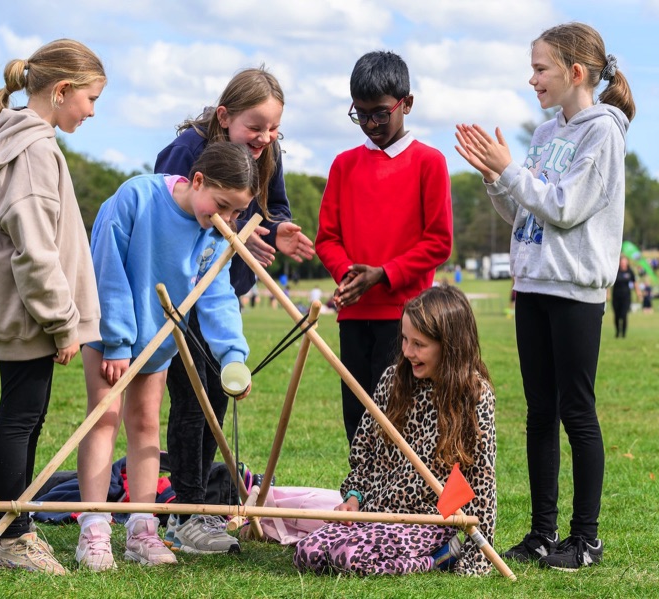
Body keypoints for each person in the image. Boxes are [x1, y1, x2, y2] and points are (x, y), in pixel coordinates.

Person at [455, 21, 634, 570]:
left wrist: (511, 171)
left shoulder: (603, 133)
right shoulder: (543, 133)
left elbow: (565, 208)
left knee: (576, 412)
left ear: (575, 73)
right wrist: (495, 176)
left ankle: (586, 539)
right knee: (538, 413)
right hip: (531, 285)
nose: (531, 79)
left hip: (575, 291)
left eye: (540, 69)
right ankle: (541, 533)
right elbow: (524, 213)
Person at [0, 39, 106, 574]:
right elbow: (35, 251)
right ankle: (14, 539)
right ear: (61, 91)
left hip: (23, 313)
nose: (90, 111)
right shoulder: (34, 150)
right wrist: (62, 323)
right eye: (90, 98)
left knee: (28, 415)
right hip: (30, 314)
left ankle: (19, 526)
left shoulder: (19, 141)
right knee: (20, 417)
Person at [153, 68, 314, 552]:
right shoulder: (186, 151)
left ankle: (200, 508)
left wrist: (274, 230)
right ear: (224, 117)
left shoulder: (268, 153)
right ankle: (187, 511)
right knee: (191, 401)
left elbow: (273, 207)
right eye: (254, 127)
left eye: (273, 129)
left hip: (223, 296)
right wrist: (232, 235)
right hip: (182, 298)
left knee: (217, 397)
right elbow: (166, 213)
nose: (264, 138)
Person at [75, 142, 256, 571]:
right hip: (109, 334)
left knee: (145, 425)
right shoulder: (136, 197)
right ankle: (94, 530)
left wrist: (233, 355)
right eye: (223, 206)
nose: (227, 220)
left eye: (236, 214)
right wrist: (117, 340)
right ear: (197, 181)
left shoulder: (213, 234)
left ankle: (142, 529)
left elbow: (216, 297)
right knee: (103, 419)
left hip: (158, 342)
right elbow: (107, 267)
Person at [292, 285, 496, 576]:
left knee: (351, 559)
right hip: (376, 512)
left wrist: (479, 555)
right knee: (308, 553)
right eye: (404, 339)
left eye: (419, 344)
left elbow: (482, 482)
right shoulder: (393, 380)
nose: (407, 352)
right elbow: (364, 450)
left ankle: (440, 556)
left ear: (449, 345)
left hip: (428, 521)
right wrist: (354, 498)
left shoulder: (474, 395)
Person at [316, 50, 453, 446]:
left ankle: (395, 504)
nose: (370, 124)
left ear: (406, 103)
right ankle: (361, 502)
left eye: (380, 113)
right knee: (357, 420)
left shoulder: (430, 162)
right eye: (360, 114)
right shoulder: (343, 165)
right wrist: (348, 275)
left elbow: (439, 241)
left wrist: (383, 274)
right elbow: (326, 237)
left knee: (401, 420)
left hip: (407, 319)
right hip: (354, 315)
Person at [608, 255, 642, 338]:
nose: (623, 263)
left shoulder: (630, 271)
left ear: (627, 262)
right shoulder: (616, 271)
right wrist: (607, 293)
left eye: (624, 262)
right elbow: (609, 283)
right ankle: (617, 332)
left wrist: (638, 294)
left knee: (624, 315)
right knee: (616, 316)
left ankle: (623, 334)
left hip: (626, 297)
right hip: (616, 297)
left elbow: (635, 283)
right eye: (622, 262)